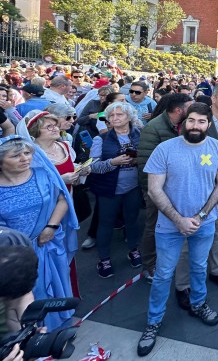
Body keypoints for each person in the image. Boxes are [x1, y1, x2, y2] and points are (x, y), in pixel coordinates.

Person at [138, 103, 218, 356]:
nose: (195, 126)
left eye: (201, 122)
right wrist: (179, 219)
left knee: (199, 267)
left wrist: (201, 216)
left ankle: (199, 304)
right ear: (183, 122)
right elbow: (154, 189)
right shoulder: (165, 149)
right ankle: (153, 321)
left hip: (205, 223)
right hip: (169, 226)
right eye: (191, 121)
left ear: (208, 125)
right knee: (163, 274)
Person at [173, 83, 218, 300]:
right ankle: (183, 284)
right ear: (213, 98)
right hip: (198, 190)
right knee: (191, 236)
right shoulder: (198, 120)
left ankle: (217, 270)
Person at [0, 136, 79, 331]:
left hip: (46, 244)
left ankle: (57, 330)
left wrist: (51, 227)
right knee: (21, 298)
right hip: (13, 256)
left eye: (27, 153)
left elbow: (63, 199)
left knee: (54, 289)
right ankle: (30, 337)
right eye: (16, 155)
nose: (25, 158)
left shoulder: (43, 174)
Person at [136, 93, 193, 281]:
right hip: (157, 190)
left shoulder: (183, 125)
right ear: (179, 110)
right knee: (154, 226)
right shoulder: (153, 128)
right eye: (189, 107)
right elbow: (146, 165)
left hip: (178, 187)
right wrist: (152, 193)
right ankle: (149, 265)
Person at [88, 102, 143, 278]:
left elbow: (150, 158)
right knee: (105, 223)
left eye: (119, 115)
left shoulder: (140, 135)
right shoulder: (100, 139)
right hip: (109, 189)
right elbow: (92, 167)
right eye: (111, 116)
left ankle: (133, 249)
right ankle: (104, 259)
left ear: (129, 117)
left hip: (133, 187)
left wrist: (137, 161)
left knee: (132, 220)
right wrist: (113, 162)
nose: (114, 118)